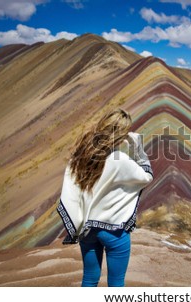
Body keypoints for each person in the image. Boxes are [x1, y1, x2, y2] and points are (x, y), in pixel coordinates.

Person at [57, 108, 153, 287]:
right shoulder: (119, 159)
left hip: (88, 229)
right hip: (114, 231)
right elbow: (146, 176)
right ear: (122, 134)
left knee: (89, 279)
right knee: (116, 283)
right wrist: (137, 148)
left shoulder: (82, 155)